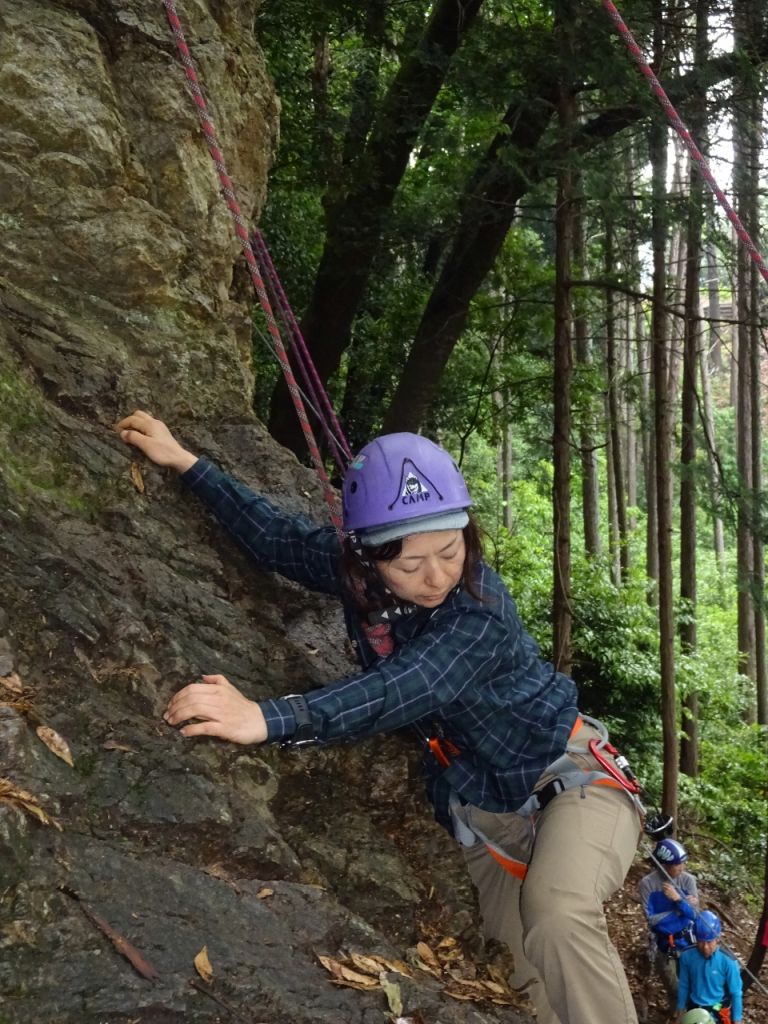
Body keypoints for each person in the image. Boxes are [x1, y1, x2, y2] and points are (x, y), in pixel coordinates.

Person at [116, 411, 643, 1024]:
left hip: (573, 779)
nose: (436, 576)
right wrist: (188, 464)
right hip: (486, 809)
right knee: (525, 972)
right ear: (368, 558)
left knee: (557, 916)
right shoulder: (362, 578)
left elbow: (400, 689)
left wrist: (268, 718)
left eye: (450, 550)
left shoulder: (478, 613)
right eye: (408, 564)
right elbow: (278, 539)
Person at [639, 838, 699, 1004]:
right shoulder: (647, 884)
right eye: (677, 865)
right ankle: (676, 1011)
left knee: (692, 984)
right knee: (673, 987)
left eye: (683, 863)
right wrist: (682, 908)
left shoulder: (688, 881)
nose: (682, 868)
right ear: (665, 865)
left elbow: (694, 914)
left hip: (689, 943)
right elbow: (653, 921)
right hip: (665, 945)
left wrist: (678, 899)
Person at [677, 912, 743, 1024]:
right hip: (695, 1007)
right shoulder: (687, 956)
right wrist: (680, 1008)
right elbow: (684, 984)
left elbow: (736, 992)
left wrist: (737, 1019)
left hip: (718, 1007)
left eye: (709, 942)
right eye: (701, 942)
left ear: (717, 938)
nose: (705, 947)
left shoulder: (728, 961)